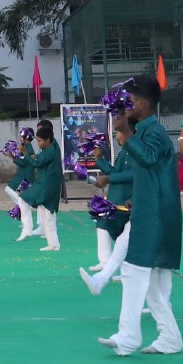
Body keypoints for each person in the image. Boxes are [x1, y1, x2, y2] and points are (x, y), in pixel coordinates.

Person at [98, 76, 181, 355]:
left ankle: (128, 336)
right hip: (151, 210)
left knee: (133, 272)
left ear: (142, 103)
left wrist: (127, 134)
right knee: (153, 284)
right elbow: (151, 172)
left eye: (129, 100)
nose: (125, 104)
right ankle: (169, 338)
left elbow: (147, 159)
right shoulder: (147, 131)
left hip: (155, 216)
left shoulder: (152, 132)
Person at [80, 112, 136, 292]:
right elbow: (114, 171)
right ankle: (107, 267)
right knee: (121, 237)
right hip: (120, 199)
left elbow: (131, 174)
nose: (116, 135)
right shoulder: (126, 152)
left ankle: (108, 270)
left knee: (119, 233)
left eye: (118, 132)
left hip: (127, 201)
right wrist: (99, 160)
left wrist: (108, 179)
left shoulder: (136, 151)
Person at [22, 120, 64, 252]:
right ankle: (53, 244)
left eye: (40, 140)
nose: (38, 143)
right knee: (47, 214)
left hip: (48, 185)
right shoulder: (51, 147)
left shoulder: (52, 150)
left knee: (25, 200)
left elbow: (37, 163)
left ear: (48, 138)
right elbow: (41, 158)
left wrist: (26, 154)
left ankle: (28, 228)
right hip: (46, 183)